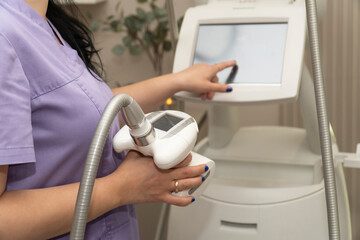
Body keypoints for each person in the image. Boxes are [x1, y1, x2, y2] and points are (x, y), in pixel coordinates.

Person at [0, 0, 236, 239]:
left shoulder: (43, 22)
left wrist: (178, 81)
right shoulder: (5, 34)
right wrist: (122, 188)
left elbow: (88, 110)